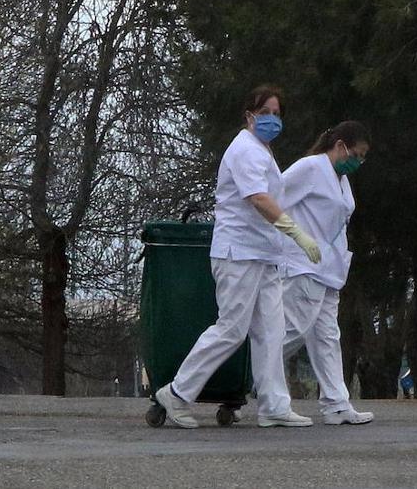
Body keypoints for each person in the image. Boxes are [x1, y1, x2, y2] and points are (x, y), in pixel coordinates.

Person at [154, 85, 322, 428]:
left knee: (272, 331)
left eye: (277, 114)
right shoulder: (245, 149)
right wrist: (296, 232)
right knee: (231, 329)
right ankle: (176, 393)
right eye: (266, 113)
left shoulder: (262, 151)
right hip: (239, 254)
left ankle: (274, 405)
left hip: (263, 254)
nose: (273, 120)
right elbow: (258, 198)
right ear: (249, 116)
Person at [278, 121, 374, 425]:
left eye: (363, 158)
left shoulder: (340, 178)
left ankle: (337, 404)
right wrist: (293, 238)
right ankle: (240, 376)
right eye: (356, 154)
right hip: (303, 265)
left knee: (327, 337)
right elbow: (271, 200)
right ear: (340, 145)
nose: (358, 162)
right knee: (289, 331)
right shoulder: (310, 168)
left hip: (330, 269)